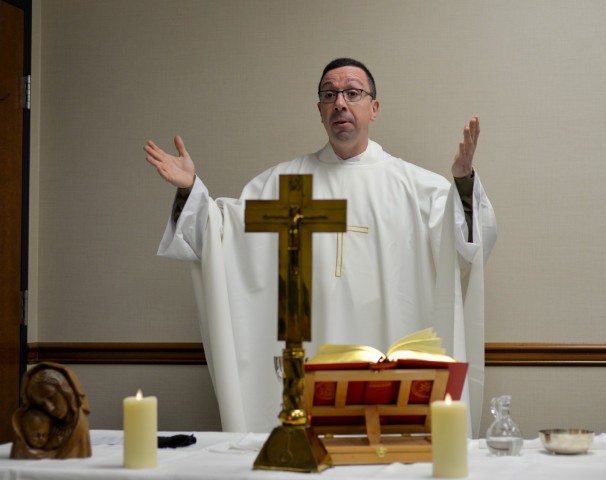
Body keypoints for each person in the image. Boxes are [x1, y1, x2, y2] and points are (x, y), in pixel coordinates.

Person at [144, 58, 497, 437]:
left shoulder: (416, 188)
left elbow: (465, 246)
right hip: (307, 360)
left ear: (373, 108)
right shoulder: (283, 185)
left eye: (352, 93)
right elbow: (218, 238)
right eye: (329, 95)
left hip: (388, 351)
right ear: (320, 110)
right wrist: (189, 189)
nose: (340, 103)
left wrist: (463, 184)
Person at [10, 362, 91, 459]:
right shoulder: (40, 424)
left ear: (64, 390)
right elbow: (21, 451)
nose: (50, 408)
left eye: (51, 397)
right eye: (42, 405)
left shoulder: (79, 426)